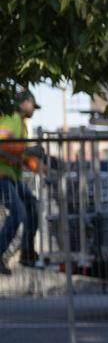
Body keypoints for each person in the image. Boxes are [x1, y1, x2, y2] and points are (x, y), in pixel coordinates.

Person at [0, 90, 43, 273]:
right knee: (18, 212)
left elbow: (19, 154)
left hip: (12, 177)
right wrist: (30, 151)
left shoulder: (21, 125)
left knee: (32, 205)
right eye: (33, 105)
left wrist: (40, 163)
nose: (33, 109)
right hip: (2, 176)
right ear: (24, 103)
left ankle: (27, 251)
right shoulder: (11, 118)